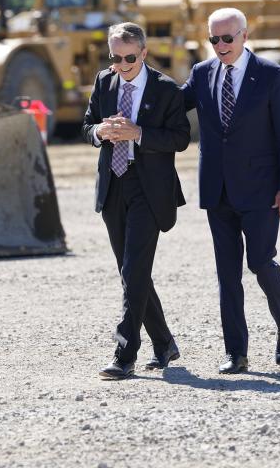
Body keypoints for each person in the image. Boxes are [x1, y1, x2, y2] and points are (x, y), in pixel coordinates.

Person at [182, 8, 280, 373]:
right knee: (227, 273)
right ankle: (236, 353)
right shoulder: (201, 74)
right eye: (213, 39)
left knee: (260, 262)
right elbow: (171, 105)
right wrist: (130, 78)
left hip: (262, 190)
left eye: (227, 38)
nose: (220, 45)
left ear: (244, 36)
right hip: (217, 191)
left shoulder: (271, 75)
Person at [82, 22, 191, 380]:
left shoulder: (165, 89)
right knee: (132, 273)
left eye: (130, 57)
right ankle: (164, 343)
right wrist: (101, 131)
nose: (122, 64)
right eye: (115, 57)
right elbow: (87, 125)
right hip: (113, 185)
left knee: (133, 271)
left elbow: (180, 138)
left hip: (150, 190)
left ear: (144, 53)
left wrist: (138, 133)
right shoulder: (104, 81)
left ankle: (124, 352)